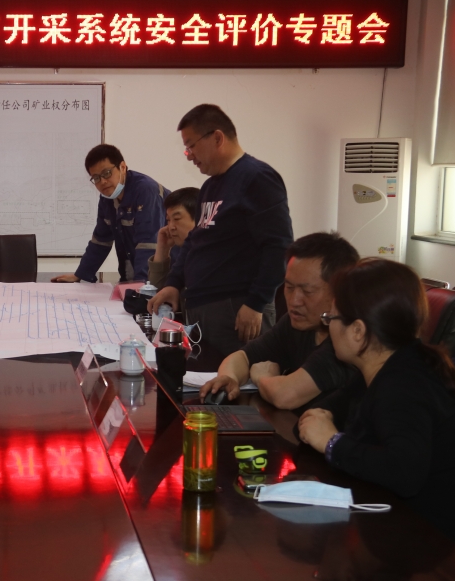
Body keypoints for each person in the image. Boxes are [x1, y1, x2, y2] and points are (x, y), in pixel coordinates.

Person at [297, 258, 455, 572]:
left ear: (358, 331)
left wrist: (332, 442)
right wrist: (322, 429)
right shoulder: (387, 367)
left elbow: (403, 473)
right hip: (414, 542)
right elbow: (316, 419)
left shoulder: (404, 385)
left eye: (331, 318)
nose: (328, 326)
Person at [149, 104, 293, 357]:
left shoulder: (257, 178)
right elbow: (195, 242)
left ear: (217, 138)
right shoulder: (210, 187)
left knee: (239, 380)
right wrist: (173, 283)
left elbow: (278, 246)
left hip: (237, 311)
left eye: (191, 146)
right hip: (205, 310)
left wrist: (256, 303)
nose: (189, 155)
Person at [198, 232, 360, 411]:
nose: (294, 301)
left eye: (307, 292)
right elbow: (242, 357)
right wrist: (229, 378)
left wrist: (263, 377)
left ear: (340, 292)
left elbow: (286, 396)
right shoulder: (295, 324)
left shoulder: (347, 339)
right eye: (289, 287)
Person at [52, 144, 167, 284]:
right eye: (96, 178)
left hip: (166, 276)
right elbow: (100, 241)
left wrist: (141, 284)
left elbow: (148, 243)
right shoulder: (107, 199)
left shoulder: (145, 190)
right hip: (134, 274)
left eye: (106, 173)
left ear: (122, 167)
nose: (103, 182)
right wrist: (80, 274)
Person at [146, 187, 199, 289]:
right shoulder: (178, 251)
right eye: (168, 220)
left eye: (176, 219)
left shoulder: (207, 254)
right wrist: (163, 249)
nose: (171, 227)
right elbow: (156, 290)